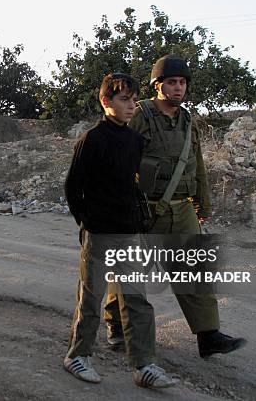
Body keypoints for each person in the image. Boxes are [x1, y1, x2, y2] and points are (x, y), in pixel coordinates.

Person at [103, 55, 247, 358]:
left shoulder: (187, 120)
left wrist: (202, 203)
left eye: (182, 82)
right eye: (171, 82)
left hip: (182, 209)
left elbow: (197, 164)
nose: (178, 88)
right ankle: (117, 326)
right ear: (158, 85)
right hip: (144, 208)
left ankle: (208, 336)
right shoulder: (139, 114)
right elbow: (115, 153)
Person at [63, 73, 176, 388]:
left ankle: (145, 365)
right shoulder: (92, 140)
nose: (131, 106)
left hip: (129, 233)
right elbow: (73, 187)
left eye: (133, 99)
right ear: (106, 101)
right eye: (124, 99)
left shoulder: (135, 141)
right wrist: (86, 222)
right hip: (99, 233)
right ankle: (78, 356)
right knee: (92, 298)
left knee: (137, 300)